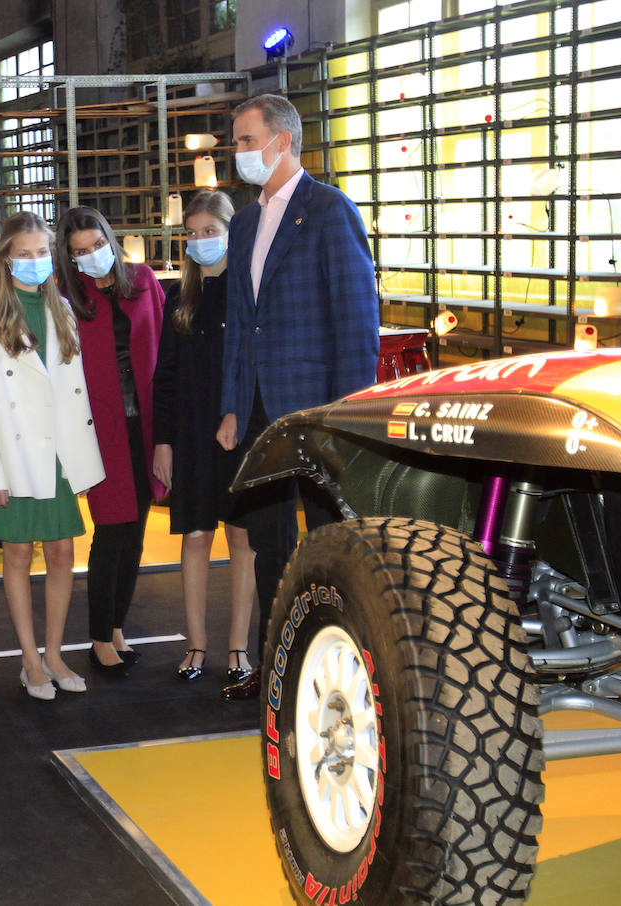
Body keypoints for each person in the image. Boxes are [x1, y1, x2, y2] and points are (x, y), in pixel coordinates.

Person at [216, 94, 380, 700]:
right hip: (259, 407)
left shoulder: (329, 210)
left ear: (282, 141)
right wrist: (233, 405)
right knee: (268, 545)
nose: (238, 153)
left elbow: (356, 321)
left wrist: (348, 416)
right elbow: (240, 320)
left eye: (244, 140)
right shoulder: (244, 220)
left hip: (318, 407)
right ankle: (276, 669)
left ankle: (342, 673)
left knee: (330, 542)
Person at [0, 211, 105, 701]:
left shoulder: (62, 310)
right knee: (20, 554)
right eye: (22, 254)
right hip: (15, 457)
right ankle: (30, 660)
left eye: (41, 252)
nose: (33, 262)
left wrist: (84, 462)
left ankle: (54, 652)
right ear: (4, 259)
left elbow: (75, 393)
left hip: (60, 456)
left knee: (64, 552)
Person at [152, 190, 257, 688]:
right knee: (195, 536)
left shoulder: (250, 290)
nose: (200, 242)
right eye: (191, 234)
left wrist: (237, 413)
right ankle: (195, 643)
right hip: (192, 433)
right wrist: (164, 441)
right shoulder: (179, 296)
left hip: (240, 431)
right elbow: (165, 376)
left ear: (233, 232)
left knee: (242, 538)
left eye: (210, 232)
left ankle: (239, 646)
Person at [56, 207, 166, 678]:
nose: (92, 256)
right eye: (80, 252)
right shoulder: (66, 298)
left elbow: (164, 348)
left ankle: (117, 627)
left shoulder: (143, 280)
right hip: (99, 429)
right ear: (69, 257)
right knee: (110, 532)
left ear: (110, 237)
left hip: (145, 421)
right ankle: (100, 635)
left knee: (136, 530)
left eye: (97, 245)